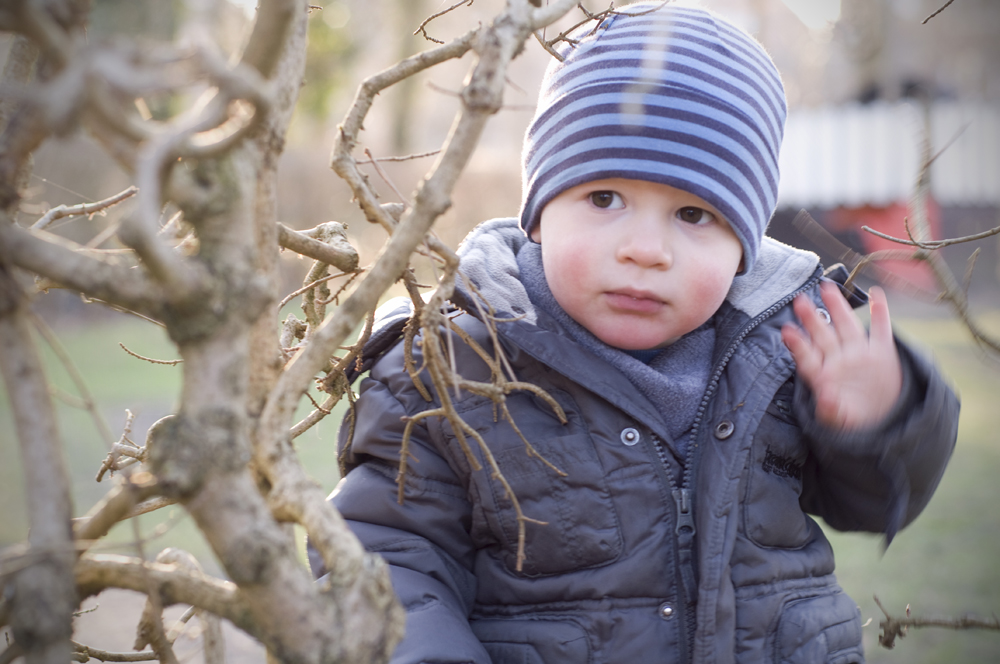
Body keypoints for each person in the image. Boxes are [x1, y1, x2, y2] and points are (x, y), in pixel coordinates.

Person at [310, 4, 959, 663]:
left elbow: (876, 506)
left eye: (693, 213)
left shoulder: (784, 346)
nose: (645, 249)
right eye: (604, 199)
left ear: (744, 246)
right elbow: (384, 558)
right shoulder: (455, 363)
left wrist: (879, 419)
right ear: (538, 212)